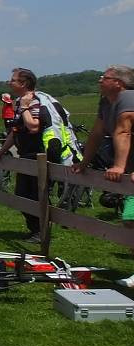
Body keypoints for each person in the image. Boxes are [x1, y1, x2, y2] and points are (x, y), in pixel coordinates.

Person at [74, 65, 134, 227]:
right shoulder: (106, 102)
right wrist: (84, 162)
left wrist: (118, 167)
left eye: (105, 78)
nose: (99, 80)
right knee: (130, 221)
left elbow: (124, 132)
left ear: (118, 83)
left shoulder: (128, 97)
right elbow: (96, 134)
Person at [0, 68, 46, 242]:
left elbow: (33, 126)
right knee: (23, 194)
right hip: (25, 154)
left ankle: (41, 232)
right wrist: (2, 150)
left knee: (35, 194)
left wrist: (24, 108)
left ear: (23, 84)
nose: (10, 83)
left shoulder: (33, 101)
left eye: (13, 80)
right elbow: (15, 131)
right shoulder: (19, 102)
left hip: (37, 154)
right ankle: (36, 229)